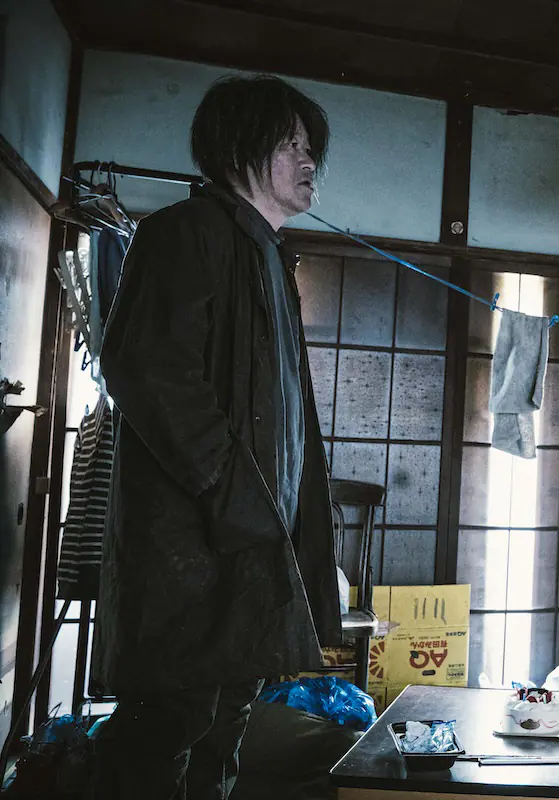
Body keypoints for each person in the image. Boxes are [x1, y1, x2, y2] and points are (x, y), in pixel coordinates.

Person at [91, 75, 341, 799]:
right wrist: (231, 489)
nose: (308, 160)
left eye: (309, 147)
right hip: (194, 546)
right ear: (238, 150)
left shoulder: (269, 254)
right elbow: (145, 367)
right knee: (167, 728)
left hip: (252, 541)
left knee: (225, 726)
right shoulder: (184, 233)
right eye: (290, 144)